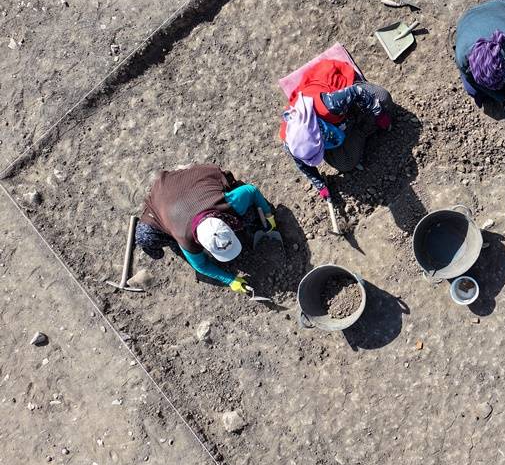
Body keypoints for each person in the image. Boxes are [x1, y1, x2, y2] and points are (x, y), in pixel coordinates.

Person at [135, 164, 276, 292]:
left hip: (187, 182)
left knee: (250, 216)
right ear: (201, 243)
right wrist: (230, 280)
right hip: (163, 192)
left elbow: (251, 190)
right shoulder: (185, 238)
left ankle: (181, 171)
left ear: (226, 223)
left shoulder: (229, 204)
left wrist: (268, 213)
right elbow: (201, 266)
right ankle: (172, 241)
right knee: (144, 237)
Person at [279, 58, 392, 202]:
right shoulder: (290, 142)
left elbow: (358, 92)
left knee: (383, 99)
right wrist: (320, 185)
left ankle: (360, 123)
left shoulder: (328, 105)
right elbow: (302, 164)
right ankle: (361, 128)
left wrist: (380, 115)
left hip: (342, 95)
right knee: (345, 163)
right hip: (338, 127)